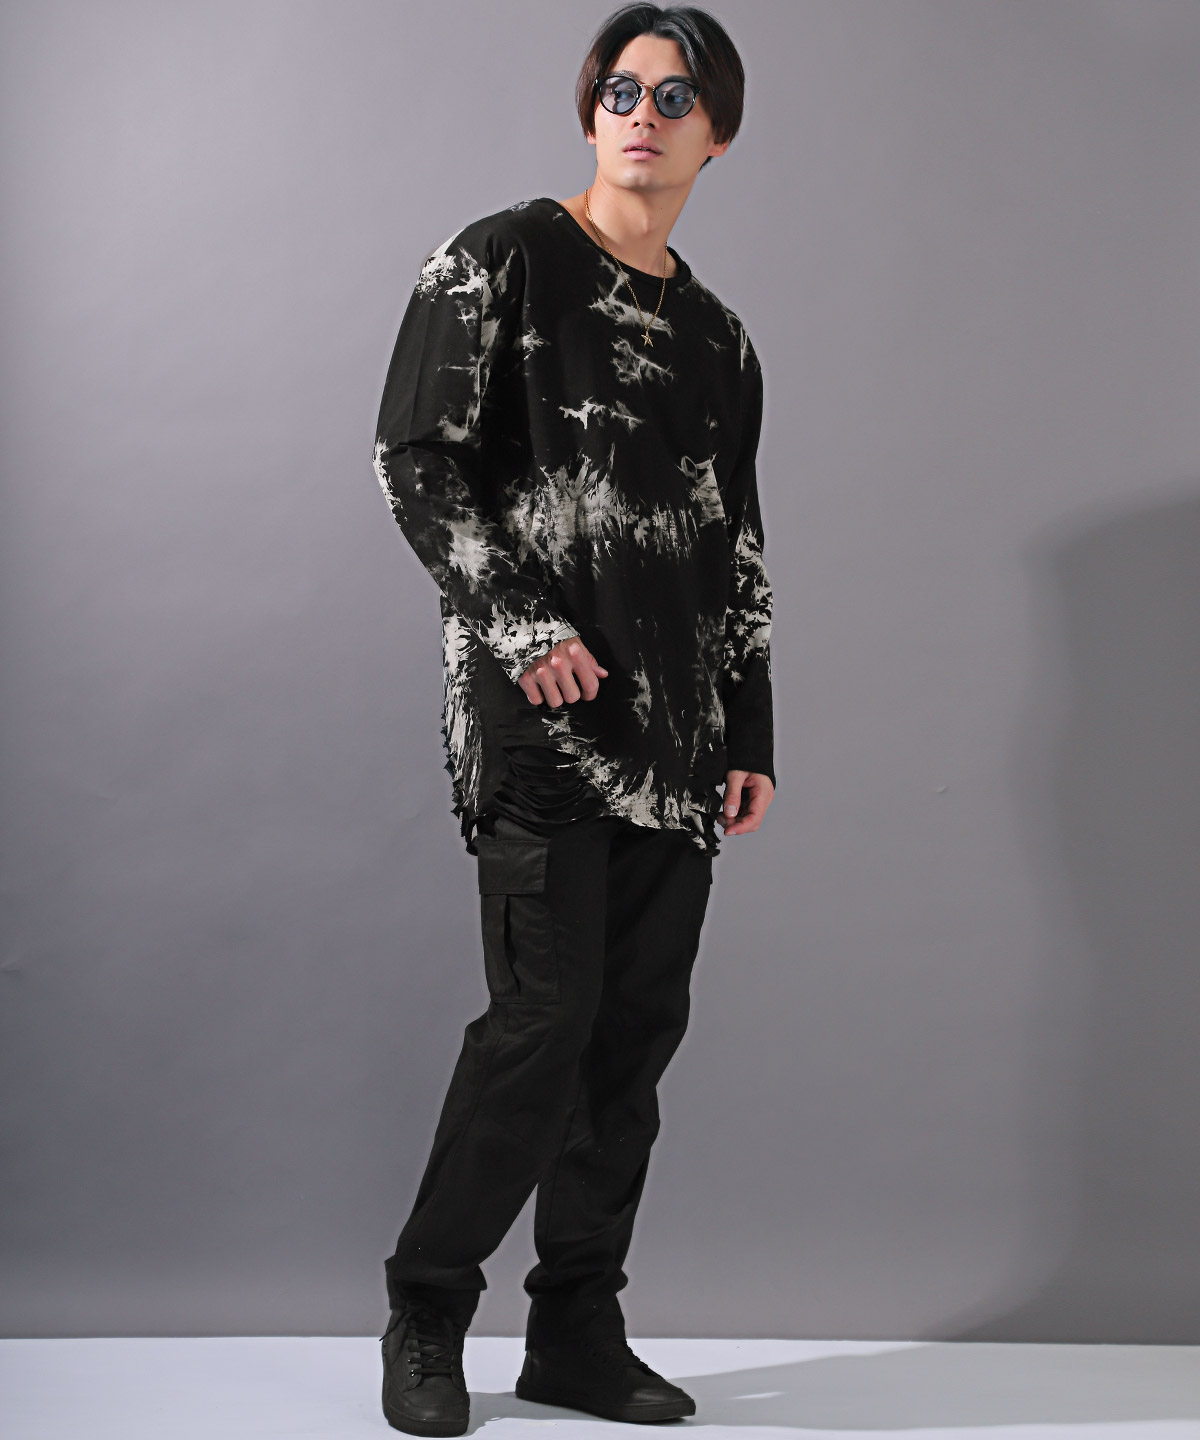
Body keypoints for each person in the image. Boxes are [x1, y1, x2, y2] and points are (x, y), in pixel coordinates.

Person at [370, 4, 775, 1432]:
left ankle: (577, 1335)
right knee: (543, 1026)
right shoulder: (502, 259)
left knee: (631, 1043)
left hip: (680, 746)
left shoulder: (721, 341)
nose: (640, 115)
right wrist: (523, 627)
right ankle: (428, 1310)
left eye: (674, 96)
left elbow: (734, 547)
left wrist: (749, 734)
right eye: (620, 89)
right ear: (590, 110)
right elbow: (416, 457)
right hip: (539, 721)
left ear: (717, 133)